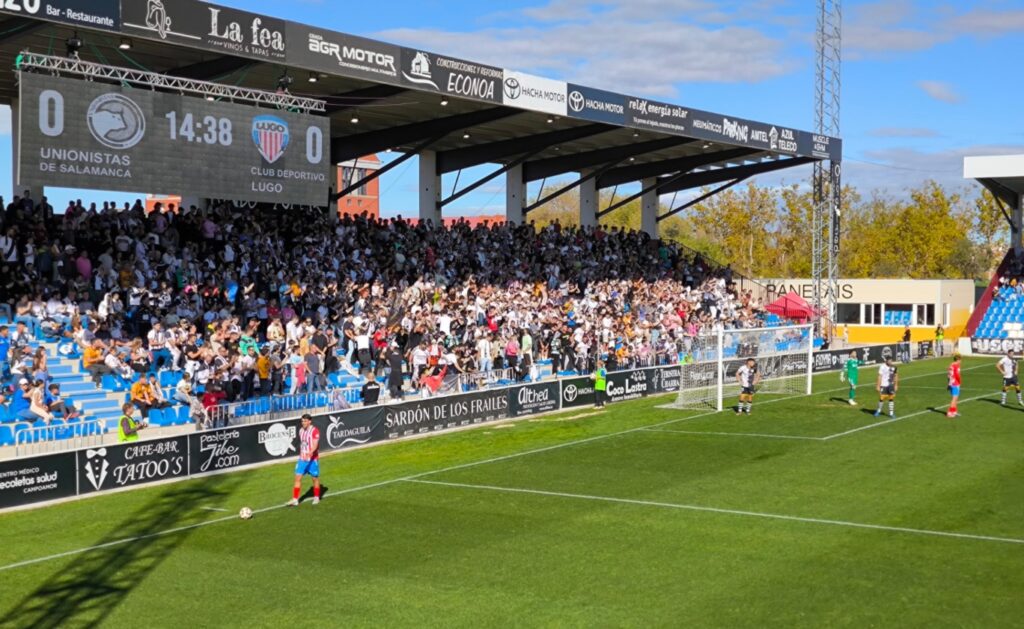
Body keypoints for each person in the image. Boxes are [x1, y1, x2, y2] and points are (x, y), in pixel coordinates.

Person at [288, 413, 321, 506]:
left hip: (312, 459)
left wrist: (310, 452)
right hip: (302, 459)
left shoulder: (315, 431)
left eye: (305, 421)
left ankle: (317, 497)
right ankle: (295, 499)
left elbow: (315, 444)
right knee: (297, 477)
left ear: (310, 421)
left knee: (314, 478)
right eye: (302, 421)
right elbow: (303, 443)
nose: (303, 423)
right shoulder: (301, 431)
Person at [946, 354, 962, 418]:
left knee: (956, 398)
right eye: (960, 360)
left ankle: (954, 411)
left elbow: (948, 375)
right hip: (955, 383)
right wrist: (959, 381)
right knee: (954, 398)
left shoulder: (951, 365)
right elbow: (957, 375)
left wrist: (948, 384)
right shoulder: (956, 366)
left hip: (952, 383)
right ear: (958, 360)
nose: (961, 361)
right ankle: (949, 412)